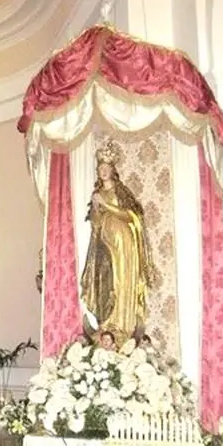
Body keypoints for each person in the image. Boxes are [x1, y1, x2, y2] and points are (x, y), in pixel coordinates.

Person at [80, 139, 154, 347]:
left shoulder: (120, 191)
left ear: (113, 170)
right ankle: (107, 325)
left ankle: (122, 324)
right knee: (106, 282)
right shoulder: (97, 194)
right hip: (103, 244)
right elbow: (95, 223)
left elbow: (132, 216)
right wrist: (96, 209)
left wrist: (107, 206)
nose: (103, 171)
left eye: (107, 167)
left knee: (122, 281)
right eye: (100, 168)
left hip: (122, 243)